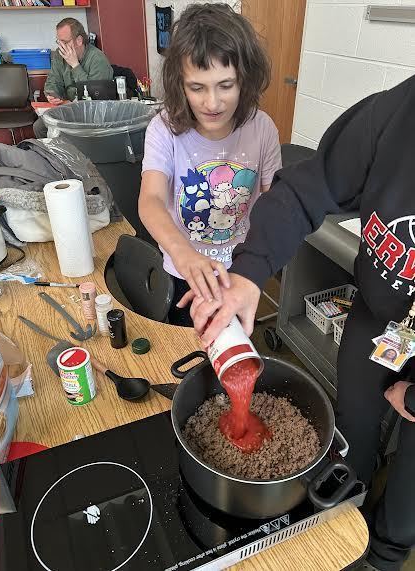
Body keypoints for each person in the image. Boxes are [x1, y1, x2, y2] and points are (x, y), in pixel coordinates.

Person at [181, 75, 415, 571]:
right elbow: (307, 189)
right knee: (353, 423)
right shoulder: (400, 112)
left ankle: (387, 551)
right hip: (381, 315)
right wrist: (248, 273)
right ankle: (340, 517)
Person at [138, 3, 282, 326]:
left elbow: (276, 207)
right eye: (197, 88)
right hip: (182, 274)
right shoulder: (163, 129)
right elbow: (150, 200)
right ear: (180, 84)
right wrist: (184, 254)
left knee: (234, 353)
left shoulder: (263, 130)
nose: (212, 103)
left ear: (245, 79)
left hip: (240, 275)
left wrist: (257, 267)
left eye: (226, 86)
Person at [33, 18, 113, 138]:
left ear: (79, 40)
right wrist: (53, 94)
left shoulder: (98, 59)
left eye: (65, 42)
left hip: (91, 112)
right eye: (58, 42)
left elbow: (95, 97)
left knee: (71, 132)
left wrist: (75, 65)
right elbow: (52, 81)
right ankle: (53, 156)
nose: (61, 47)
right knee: (39, 127)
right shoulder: (59, 55)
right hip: (67, 108)